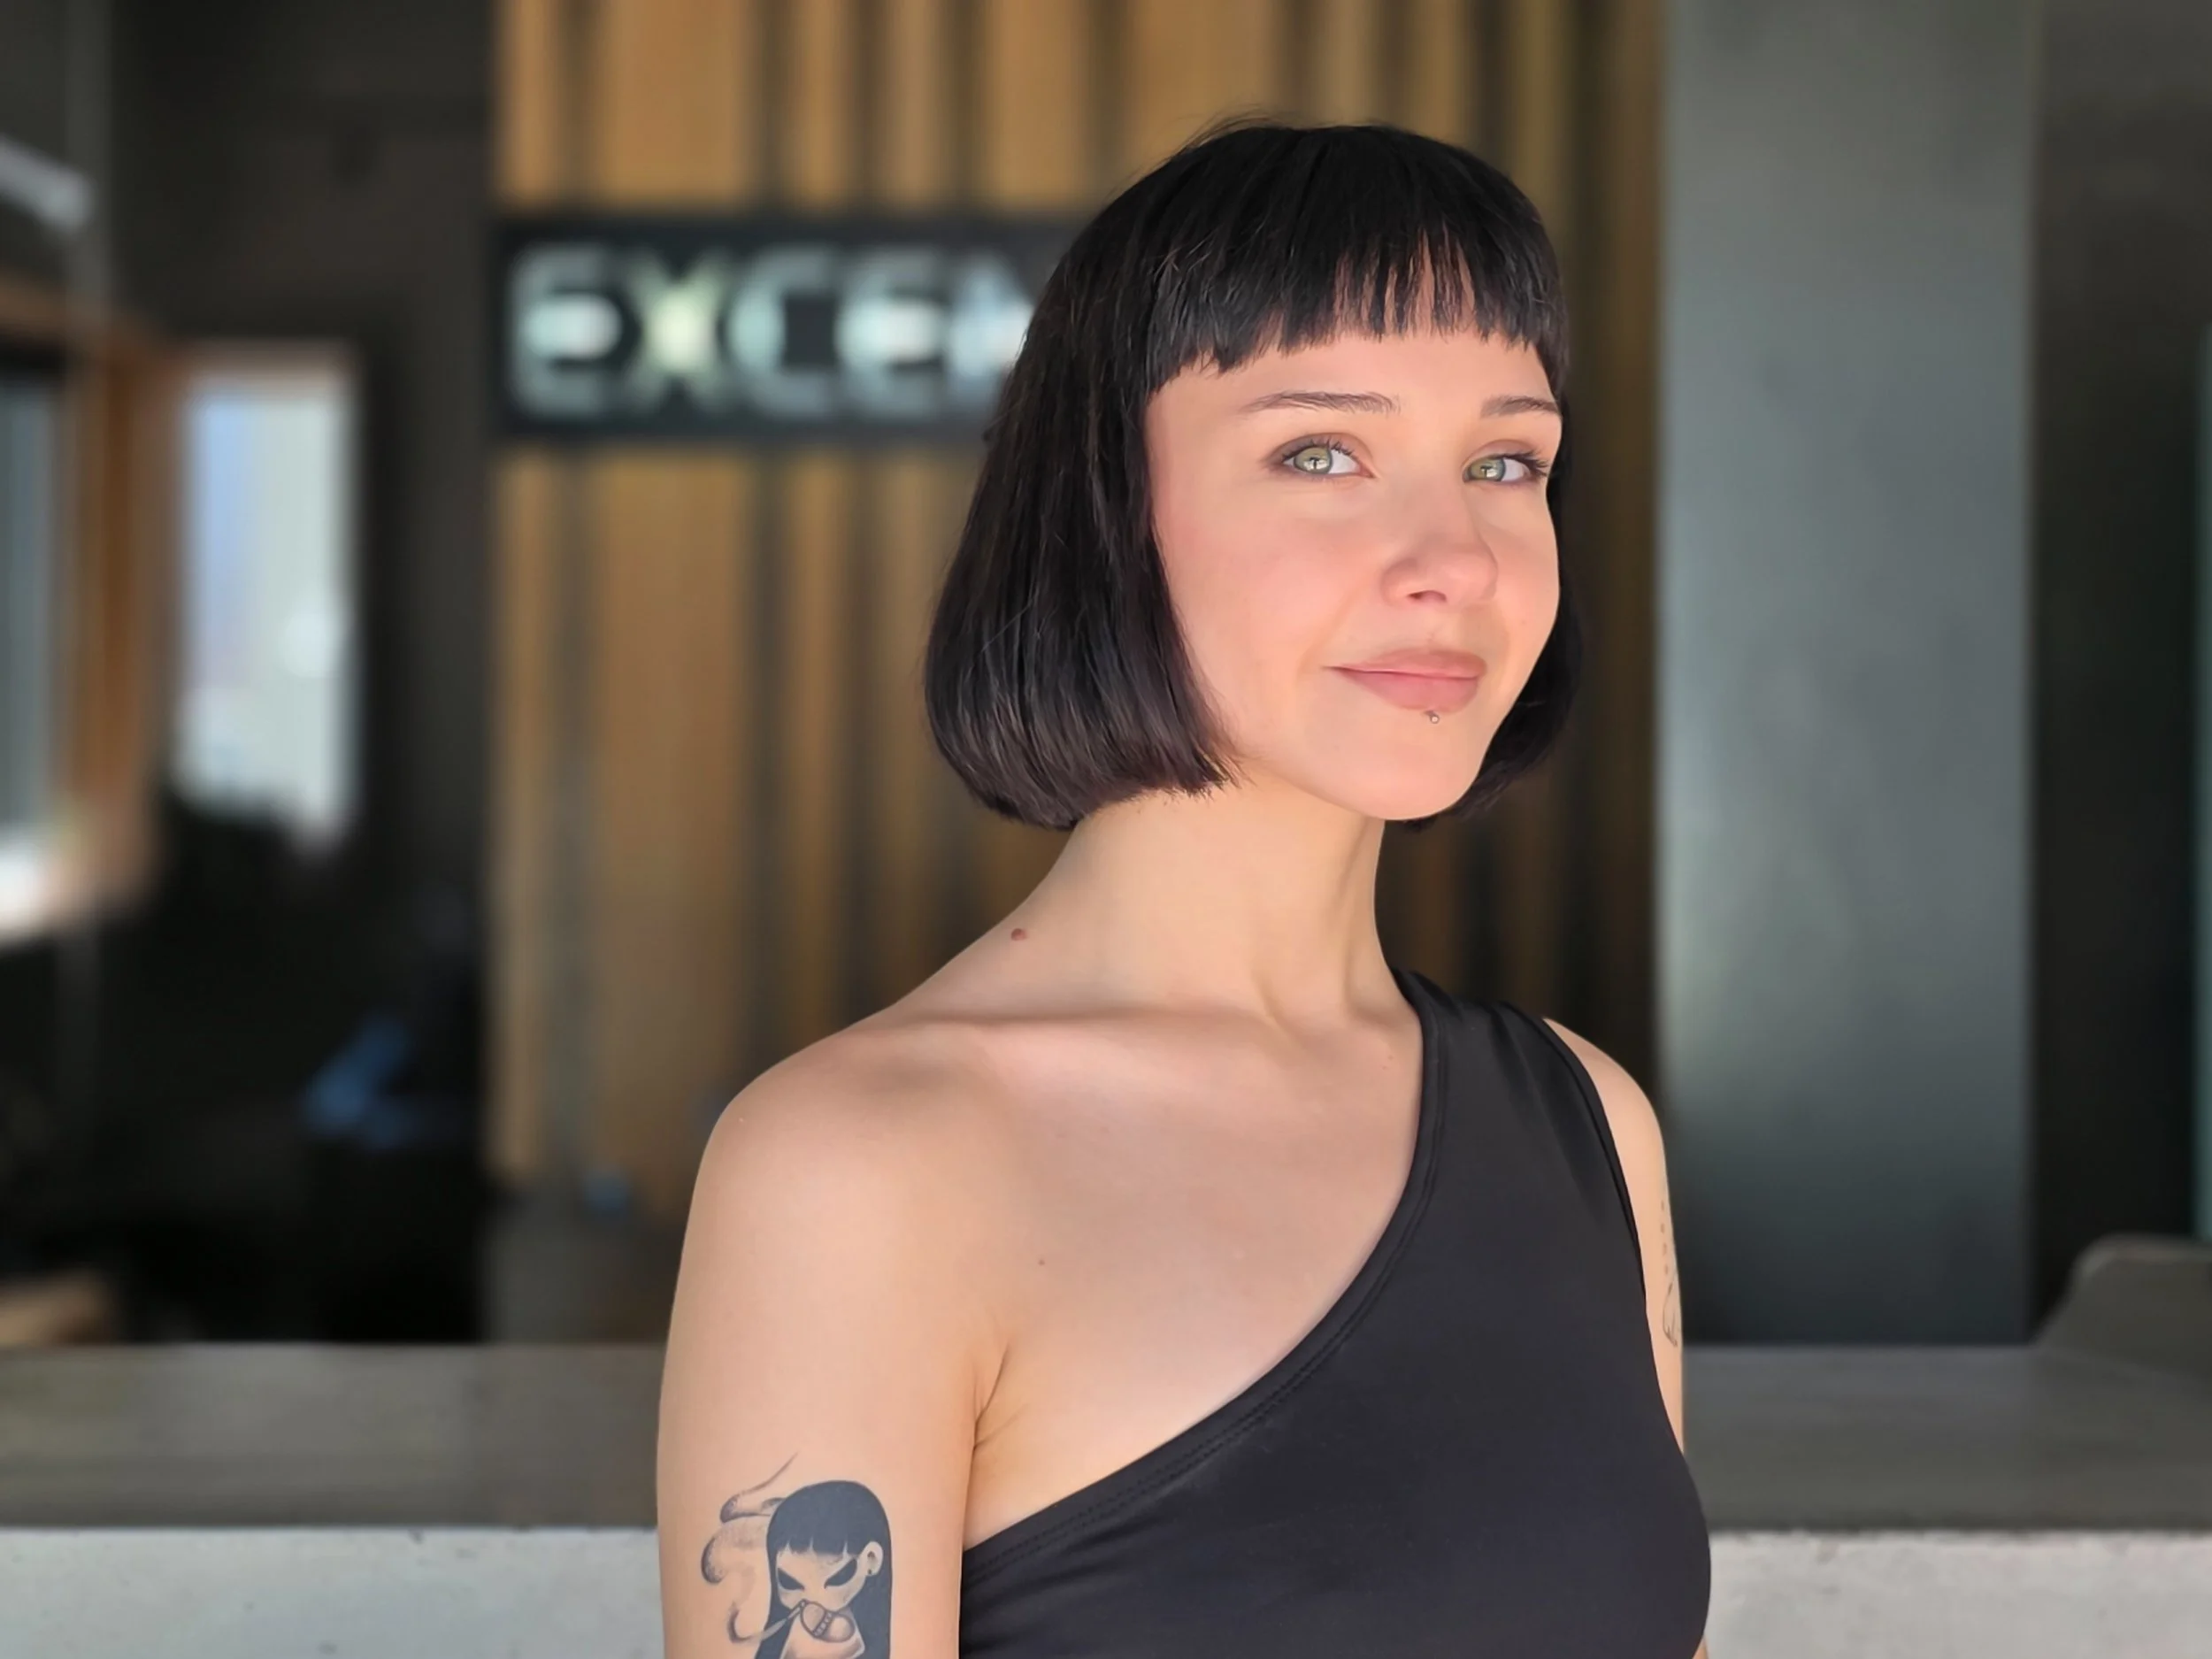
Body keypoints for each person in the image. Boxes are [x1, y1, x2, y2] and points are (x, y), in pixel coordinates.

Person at [658, 117, 1712, 1659]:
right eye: (1320, 452)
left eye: (1506, 460)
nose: (1456, 558)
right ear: (1106, 514)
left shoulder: (1589, 1125)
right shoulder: (856, 1170)